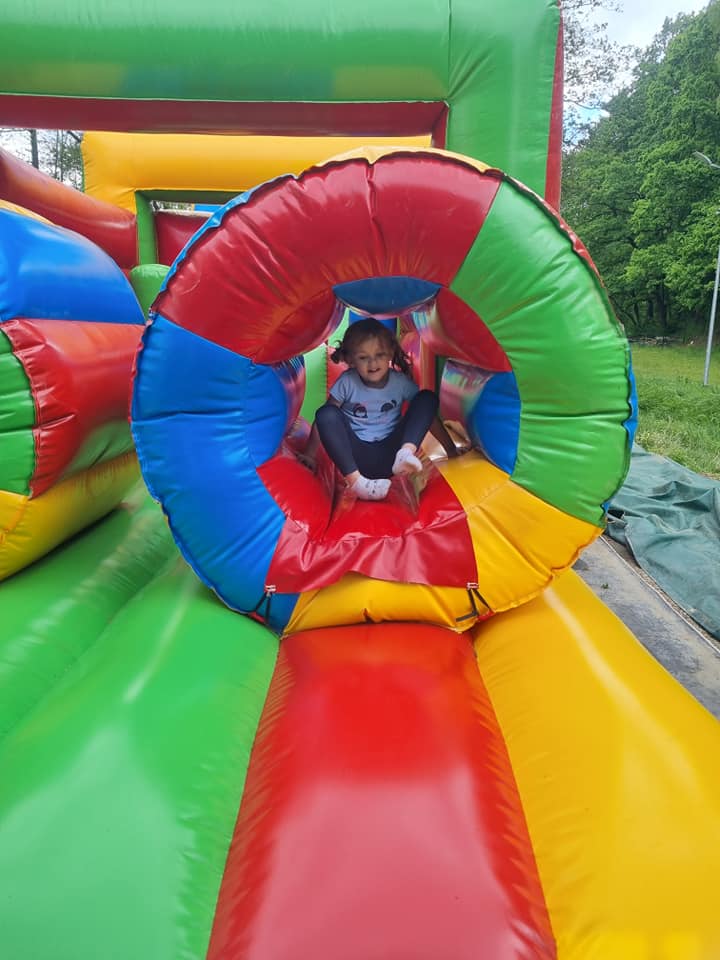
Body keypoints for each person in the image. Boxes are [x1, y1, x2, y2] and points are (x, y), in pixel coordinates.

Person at [300, 317, 464, 500]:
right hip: (356, 457)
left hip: (392, 455)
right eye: (364, 358)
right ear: (351, 359)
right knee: (326, 412)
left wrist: (451, 450)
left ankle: (406, 452)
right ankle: (356, 482)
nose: (373, 364)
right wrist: (310, 455)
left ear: (390, 353)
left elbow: (426, 415)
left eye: (379, 355)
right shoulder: (347, 382)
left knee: (426, 398)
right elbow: (325, 421)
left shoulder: (400, 382)